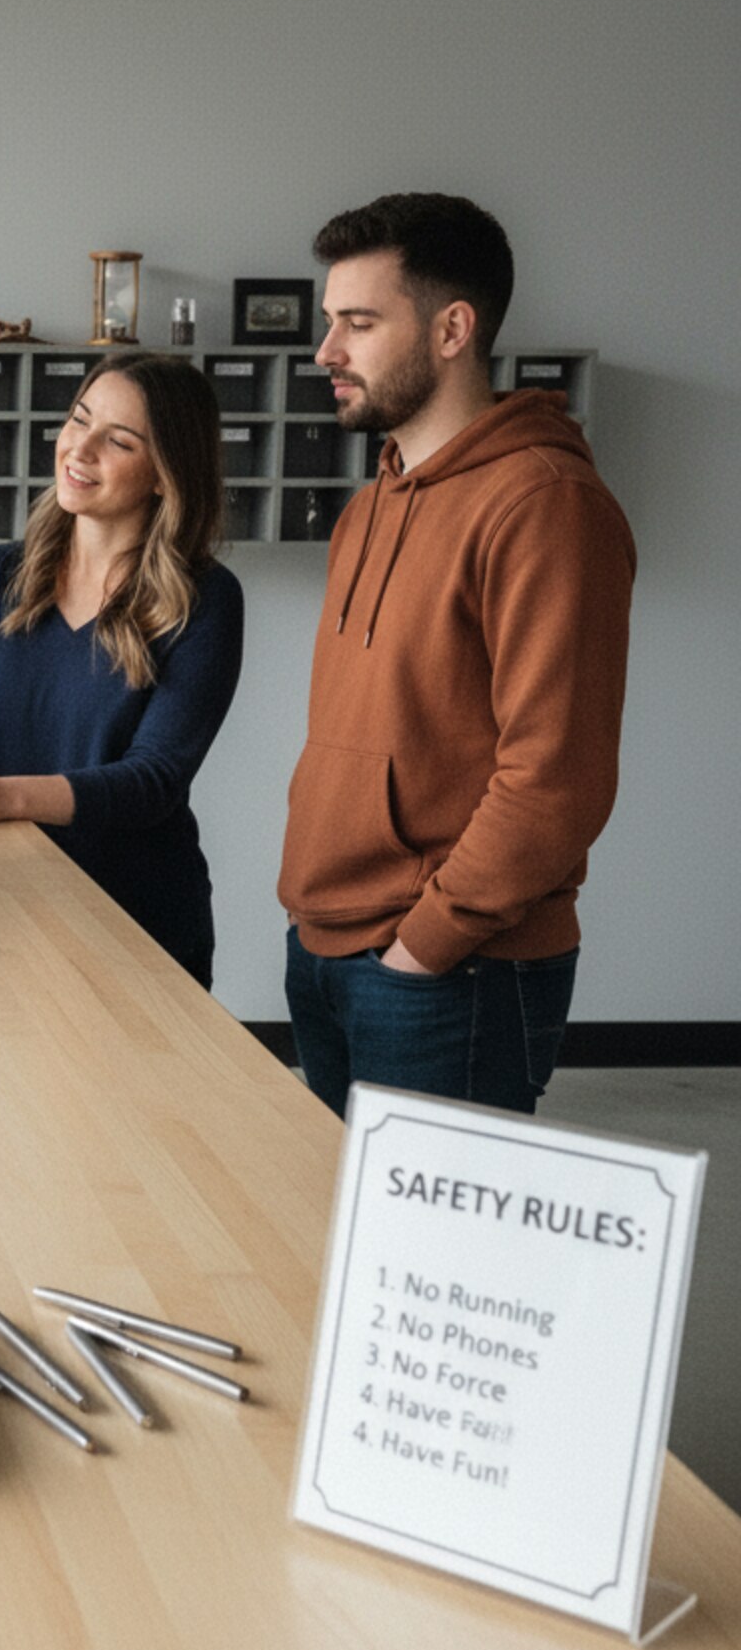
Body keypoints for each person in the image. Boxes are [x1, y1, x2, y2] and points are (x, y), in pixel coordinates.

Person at [280, 192, 635, 1117]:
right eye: (330, 323)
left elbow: (557, 776)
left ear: (452, 329)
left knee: (437, 1264)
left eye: (359, 323)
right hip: (326, 943)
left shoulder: (545, 502)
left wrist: (426, 945)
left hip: (449, 972)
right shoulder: (369, 506)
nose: (328, 351)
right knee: (338, 1242)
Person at [0, 348, 243, 988]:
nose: (80, 451)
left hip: (139, 925)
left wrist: (4, 795)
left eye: (119, 441)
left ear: (166, 474)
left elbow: (153, 780)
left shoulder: (206, 598)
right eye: (80, 421)